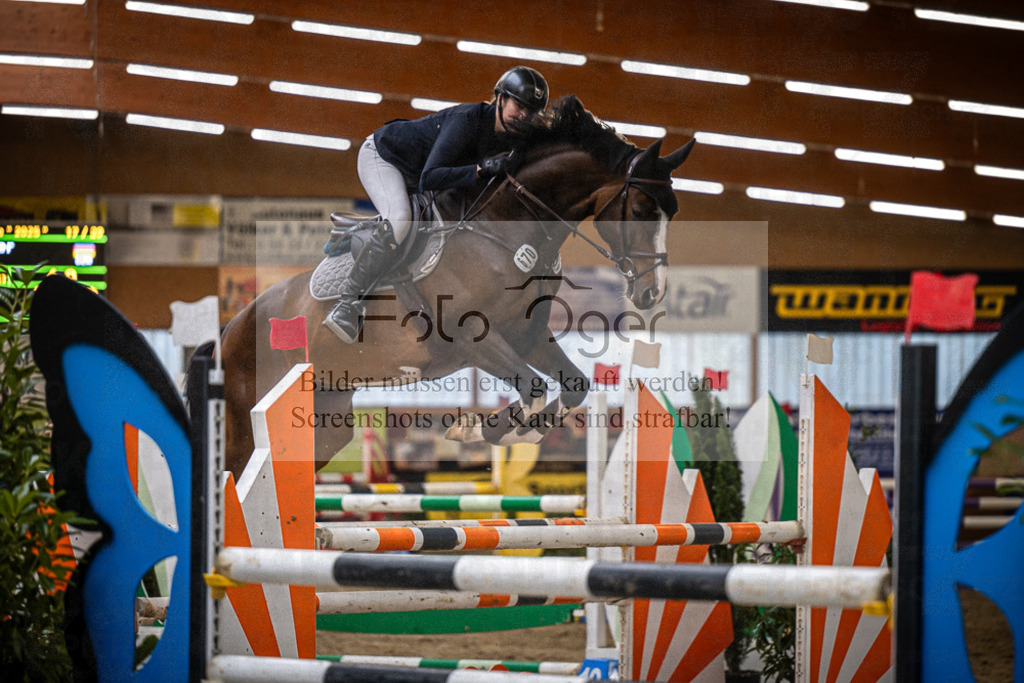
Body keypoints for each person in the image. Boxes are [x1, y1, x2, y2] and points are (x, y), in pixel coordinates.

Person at [324, 65, 550, 343]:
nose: (523, 115)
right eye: (519, 105)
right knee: (400, 219)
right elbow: (429, 178)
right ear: (500, 98)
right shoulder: (466, 120)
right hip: (384, 158)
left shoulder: (517, 139)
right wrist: (479, 170)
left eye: (531, 111)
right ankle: (346, 305)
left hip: (419, 173)